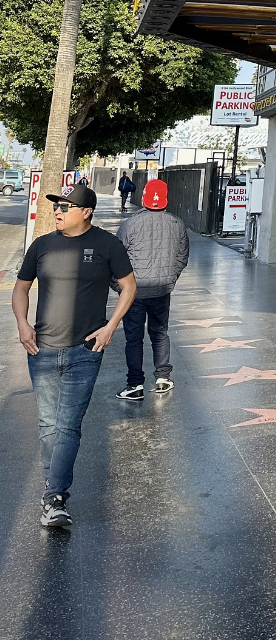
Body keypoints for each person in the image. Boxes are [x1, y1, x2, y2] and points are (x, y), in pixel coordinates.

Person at [12, 183, 137, 529]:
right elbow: (21, 287)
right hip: (41, 350)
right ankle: (53, 491)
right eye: (56, 207)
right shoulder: (42, 245)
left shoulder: (107, 244)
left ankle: (55, 497)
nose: (57, 212)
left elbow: (129, 285)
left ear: (86, 212)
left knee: (68, 426)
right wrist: (22, 324)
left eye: (65, 207)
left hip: (85, 352)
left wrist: (111, 326)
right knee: (48, 426)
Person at [115, 178, 188, 402]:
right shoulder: (177, 224)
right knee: (160, 333)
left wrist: (120, 287)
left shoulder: (130, 224)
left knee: (134, 339)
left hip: (134, 293)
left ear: (145, 197)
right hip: (162, 292)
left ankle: (135, 384)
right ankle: (163, 377)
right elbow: (182, 257)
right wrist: (169, 280)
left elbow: (116, 258)